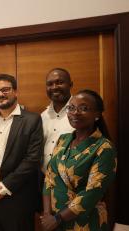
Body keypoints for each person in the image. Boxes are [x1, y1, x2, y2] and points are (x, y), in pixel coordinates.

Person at [40, 89, 117, 231]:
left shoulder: (104, 148)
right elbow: (49, 178)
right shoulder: (63, 139)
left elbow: (92, 193)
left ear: (97, 115)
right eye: (71, 108)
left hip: (85, 222)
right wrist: (47, 215)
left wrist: (58, 218)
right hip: (55, 222)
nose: (75, 112)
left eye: (84, 108)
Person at [0, 74, 43, 231]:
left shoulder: (32, 120)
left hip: (18, 198)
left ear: (16, 92)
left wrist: (4, 187)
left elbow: (32, 159)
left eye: (5, 90)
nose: (0, 94)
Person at [41, 68, 74, 172]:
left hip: (72, 183)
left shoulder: (79, 114)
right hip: (44, 181)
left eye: (59, 82)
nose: (54, 87)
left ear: (70, 84)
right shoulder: (42, 116)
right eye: (50, 84)